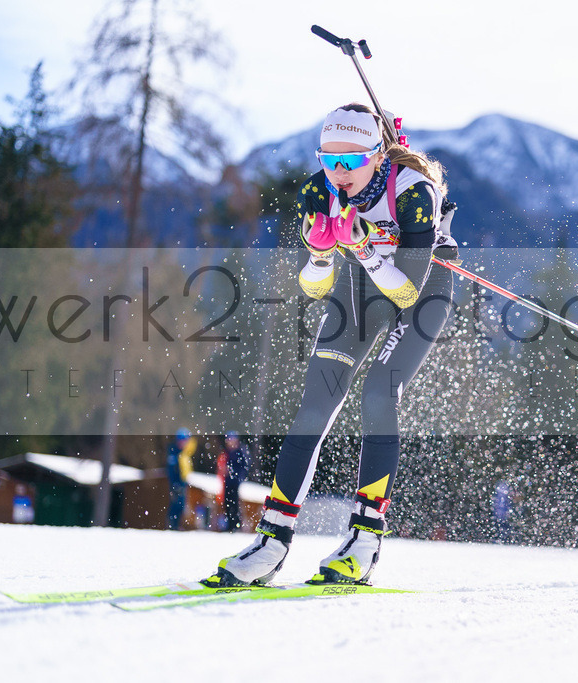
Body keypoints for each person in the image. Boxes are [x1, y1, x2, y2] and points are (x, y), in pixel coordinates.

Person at [204, 103, 457, 587]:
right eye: (329, 160)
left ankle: (365, 538)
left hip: (422, 289)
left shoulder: (415, 193)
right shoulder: (319, 190)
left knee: (378, 395)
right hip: (360, 287)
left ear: (378, 155)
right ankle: (272, 542)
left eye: (352, 162)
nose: (339, 173)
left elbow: (406, 291)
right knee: (316, 402)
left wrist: (362, 247)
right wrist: (321, 254)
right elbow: (316, 287)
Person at [166, 429, 197, 530]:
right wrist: (175, 483)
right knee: (175, 504)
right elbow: (171, 470)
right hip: (175, 483)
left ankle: (177, 525)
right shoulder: (173, 452)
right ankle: (172, 525)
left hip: (183, 482)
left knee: (182, 505)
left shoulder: (184, 453)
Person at [219, 432, 250, 531]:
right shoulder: (227, 452)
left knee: (234, 504)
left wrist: (236, 476)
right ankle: (230, 524)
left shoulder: (240, 452)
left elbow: (244, 467)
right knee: (227, 503)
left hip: (235, 482)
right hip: (227, 482)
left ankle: (235, 525)